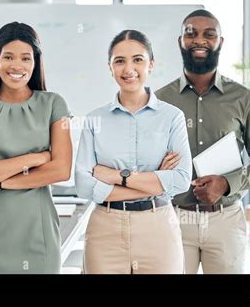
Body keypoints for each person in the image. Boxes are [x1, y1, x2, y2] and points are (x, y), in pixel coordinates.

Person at [155, 9, 250, 274]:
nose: (200, 40)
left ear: (220, 42)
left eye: (209, 34)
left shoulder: (243, 98)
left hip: (226, 221)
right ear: (180, 41)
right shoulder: (159, 100)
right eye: (191, 33)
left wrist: (226, 184)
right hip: (173, 218)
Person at [0, 21, 72, 274]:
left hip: (37, 228)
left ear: (35, 62)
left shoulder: (54, 104)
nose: (17, 66)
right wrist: (36, 157)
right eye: (8, 57)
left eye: (25, 58)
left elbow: (62, 169)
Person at [75, 29, 192, 274]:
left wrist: (119, 176)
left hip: (157, 227)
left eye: (138, 59)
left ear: (151, 64)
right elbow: (85, 186)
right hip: (105, 230)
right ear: (110, 67)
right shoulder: (94, 119)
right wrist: (155, 180)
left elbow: (180, 180)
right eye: (120, 61)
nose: (129, 69)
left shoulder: (172, 117)